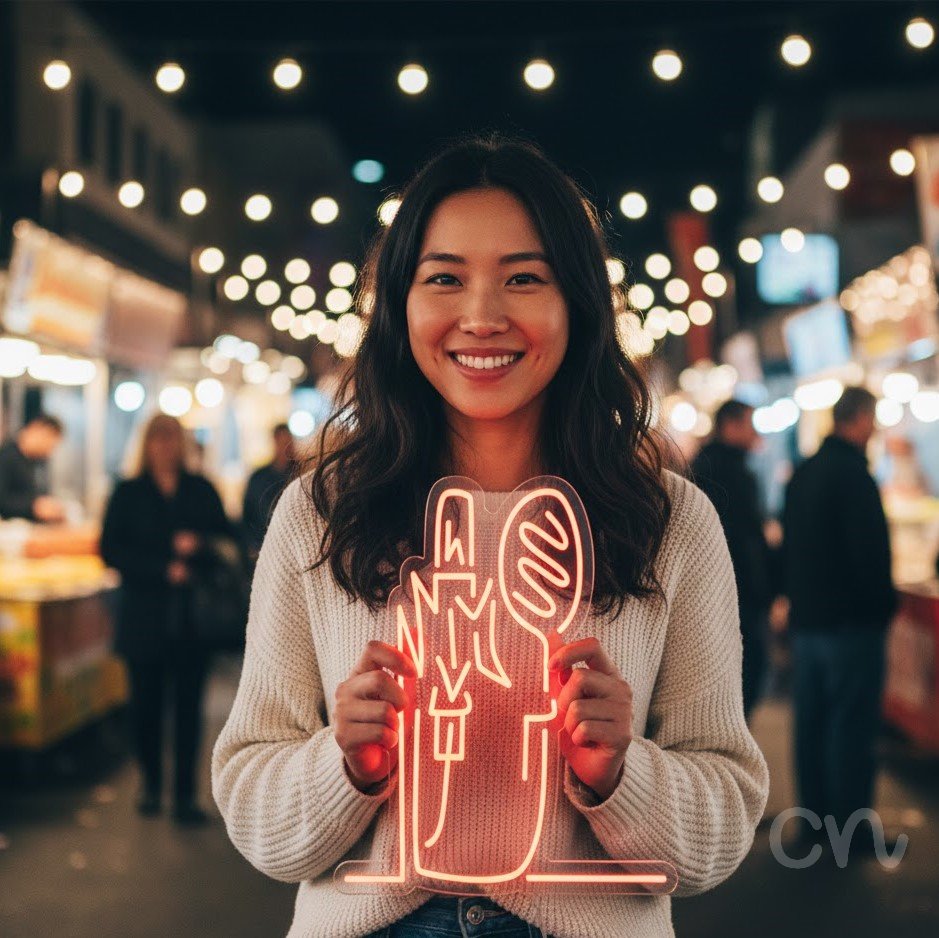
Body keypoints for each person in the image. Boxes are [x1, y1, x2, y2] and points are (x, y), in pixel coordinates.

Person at [212, 134, 768, 938]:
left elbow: (720, 834)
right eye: (443, 278)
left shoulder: (671, 523)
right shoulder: (322, 513)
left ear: (576, 301)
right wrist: (345, 764)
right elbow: (256, 812)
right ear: (398, 305)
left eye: (523, 278)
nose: (480, 316)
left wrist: (622, 772)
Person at [782, 386, 897, 855]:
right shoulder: (853, 476)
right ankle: (850, 832)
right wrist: (881, 607)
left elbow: (787, 547)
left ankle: (814, 823)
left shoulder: (805, 473)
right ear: (861, 419)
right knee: (851, 727)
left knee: (811, 723)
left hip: (808, 622)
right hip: (850, 625)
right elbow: (868, 555)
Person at [100, 413, 231, 825]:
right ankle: (151, 783)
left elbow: (229, 544)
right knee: (145, 707)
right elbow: (109, 549)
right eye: (158, 439)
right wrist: (160, 567)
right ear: (147, 444)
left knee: (190, 710)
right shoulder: (128, 493)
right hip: (144, 617)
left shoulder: (201, 490)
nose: (166, 447)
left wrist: (202, 544)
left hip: (192, 621)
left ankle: (185, 795)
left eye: (172, 438)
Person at [691, 399, 773, 719]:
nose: (755, 433)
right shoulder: (726, 473)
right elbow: (743, 540)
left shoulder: (709, 466)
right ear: (730, 426)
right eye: (750, 424)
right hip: (736, 598)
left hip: (726, 596)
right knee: (744, 680)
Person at [241, 422, 296, 561]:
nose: (285, 448)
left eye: (287, 443)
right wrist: (253, 546)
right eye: (281, 442)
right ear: (274, 442)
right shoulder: (258, 478)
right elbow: (247, 516)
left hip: (292, 547)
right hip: (262, 546)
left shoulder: (299, 475)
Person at [0, 414, 66, 522]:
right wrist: (34, 507)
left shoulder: (39, 462)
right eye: (49, 443)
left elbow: (41, 494)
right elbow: (2, 501)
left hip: (34, 529)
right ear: (36, 429)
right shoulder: (6, 456)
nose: (49, 451)